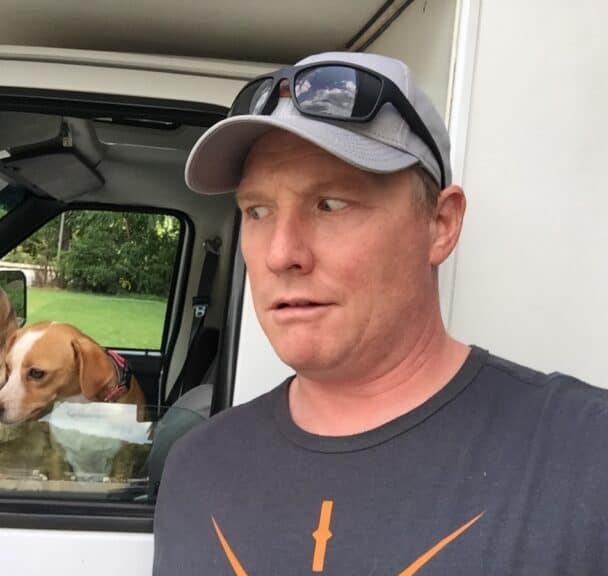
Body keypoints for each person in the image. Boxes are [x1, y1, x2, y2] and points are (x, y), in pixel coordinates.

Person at [153, 52, 608, 575]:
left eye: (330, 204)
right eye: (258, 211)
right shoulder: (196, 469)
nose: (281, 254)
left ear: (440, 223)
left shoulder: (585, 458)